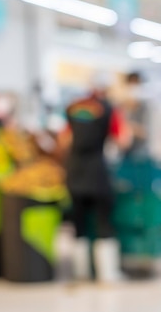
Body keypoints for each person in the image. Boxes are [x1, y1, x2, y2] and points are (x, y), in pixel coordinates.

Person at [59, 75, 130, 282]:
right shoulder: (109, 109)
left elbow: (65, 139)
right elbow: (123, 140)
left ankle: (80, 272)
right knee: (103, 221)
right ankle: (107, 274)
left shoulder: (73, 108)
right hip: (97, 171)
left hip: (74, 170)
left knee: (79, 222)